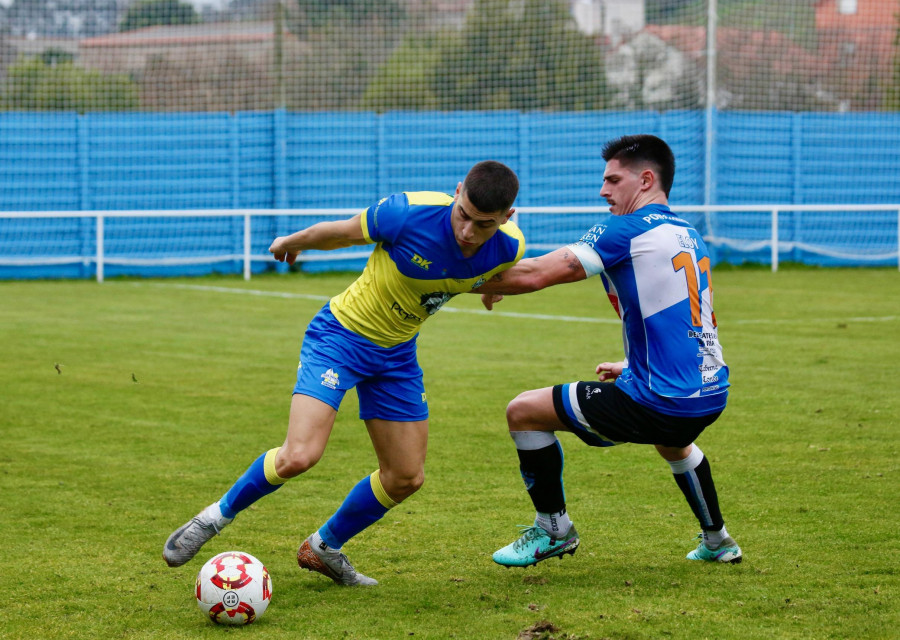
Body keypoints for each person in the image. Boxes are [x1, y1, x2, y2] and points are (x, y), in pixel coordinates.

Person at [163, 160, 524, 585]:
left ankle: (324, 547)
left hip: (396, 357)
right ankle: (211, 519)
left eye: (483, 225)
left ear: (506, 218)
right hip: (340, 338)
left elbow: (492, 271)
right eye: (463, 214)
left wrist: (492, 291)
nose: (467, 231)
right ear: (457, 190)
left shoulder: (510, 245)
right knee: (299, 456)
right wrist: (291, 241)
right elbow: (339, 232)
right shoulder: (408, 212)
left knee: (406, 477)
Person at [474, 135, 742, 567]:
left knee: (522, 411)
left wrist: (456, 278)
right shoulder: (688, 234)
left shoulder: (627, 229)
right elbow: (697, 319)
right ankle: (718, 541)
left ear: (646, 180)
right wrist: (634, 366)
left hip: (664, 401)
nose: (603, 190)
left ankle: (553, 529)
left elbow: (539, 274)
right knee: (674, 443)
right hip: (710, 392)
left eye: (613, 180)